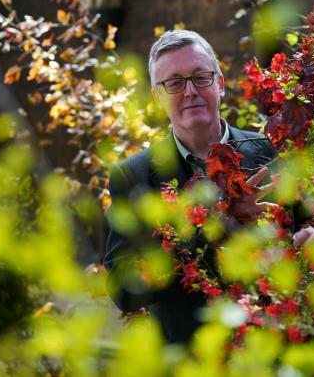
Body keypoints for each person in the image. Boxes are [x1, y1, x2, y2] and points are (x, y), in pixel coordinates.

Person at [104, 29, 278, 343]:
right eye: (174, 82)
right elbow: (124, 289)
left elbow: (310, 232)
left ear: (220, 84)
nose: (189, 91)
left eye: (200, 77)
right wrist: (208, 237)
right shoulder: (133, 177)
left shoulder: (270, 152)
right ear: (158, 97)